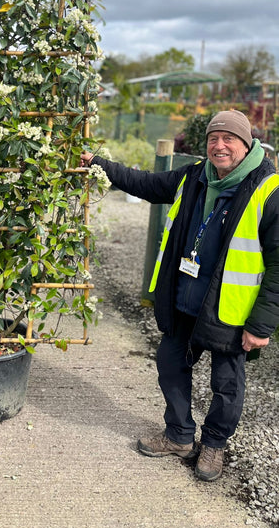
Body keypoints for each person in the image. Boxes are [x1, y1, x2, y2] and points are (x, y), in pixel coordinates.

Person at [81, 110, 279, 481]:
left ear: (247, 143)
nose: (219, 146)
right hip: (184, 300)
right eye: (213, 139)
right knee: (171, 367)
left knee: (227, 385)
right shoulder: (194, 177)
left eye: (229, 139)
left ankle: (215, 444)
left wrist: (262, 324)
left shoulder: (269, 190)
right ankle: (179, 436)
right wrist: (99, 164)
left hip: (229, 312)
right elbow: (146, 184)